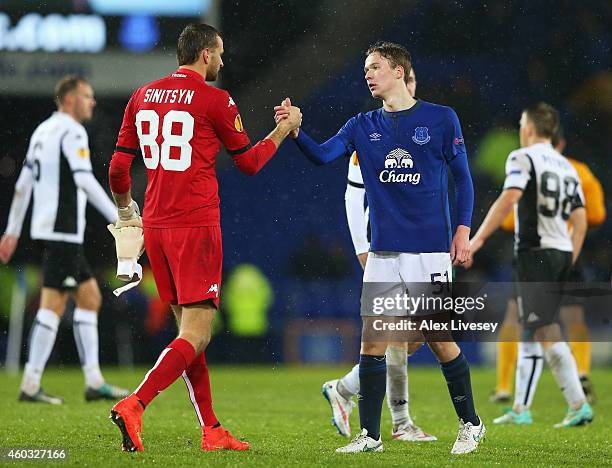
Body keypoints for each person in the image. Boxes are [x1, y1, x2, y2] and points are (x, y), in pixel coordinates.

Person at [276, 41, 484, 455]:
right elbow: (322, 156)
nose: (367, 75)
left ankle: (471, 424)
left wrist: (463, 229)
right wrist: (296, 132)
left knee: (439, 338)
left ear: (398, 70)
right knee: (372, 342)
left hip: (428, 252)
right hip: (384, 251)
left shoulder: (441, 119)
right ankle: (370, 436)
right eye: (365, 69)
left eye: (373, 67)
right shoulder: (361, 125)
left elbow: (463, 178)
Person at [107, 23, 301, 453]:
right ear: (206, 54)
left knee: (190, 332)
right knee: (196, 333)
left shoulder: (141, 96)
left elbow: (118, 170)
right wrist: (283, 130)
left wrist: (126, 210)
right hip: (194, 225)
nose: (223, 60)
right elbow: (249, 164)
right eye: (221, 52)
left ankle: (211, 429)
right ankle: (135, 404)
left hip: (154, 226)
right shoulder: (215, 100)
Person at [322, 67, 436, 443]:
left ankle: (344, 388)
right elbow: (353, 196)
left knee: (420, 332)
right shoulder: (374, 135)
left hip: (418, 247)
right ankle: (401, 422)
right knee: (397, 335)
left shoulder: (425, 131)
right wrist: (360, 248)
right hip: (384, 249)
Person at [0, 76, 129, 404]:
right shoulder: (72, 131)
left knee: (86, 300)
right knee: (56, 305)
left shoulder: (42, 131)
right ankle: (35, 384)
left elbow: (22, 185)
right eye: (87, 96)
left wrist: (12, 230)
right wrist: (120, 217)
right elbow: (84, 179)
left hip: (48, 231)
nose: (93, 102)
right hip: (62, 232)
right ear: (70, 99)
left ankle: (89, 381)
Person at [469, 102, 593, 427]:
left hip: (535, 252)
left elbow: (508, 198)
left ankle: (574, 405)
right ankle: (526, 408)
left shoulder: (522, 157)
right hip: (561, 252)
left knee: (542, 329)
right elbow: (580, 219)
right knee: (538, 328)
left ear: (528, 128)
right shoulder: (568, 167)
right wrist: (570, 255)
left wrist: (478, 239)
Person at [490, 126, 606, 405]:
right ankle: (581, 372)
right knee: (573, 318)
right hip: (567, 251)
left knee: (516, 318)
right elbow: (597, 215)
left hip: (534, 254)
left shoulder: (525, 166)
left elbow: (508, 220)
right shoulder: (579, 171)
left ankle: (505, 386)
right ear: (561, 143)